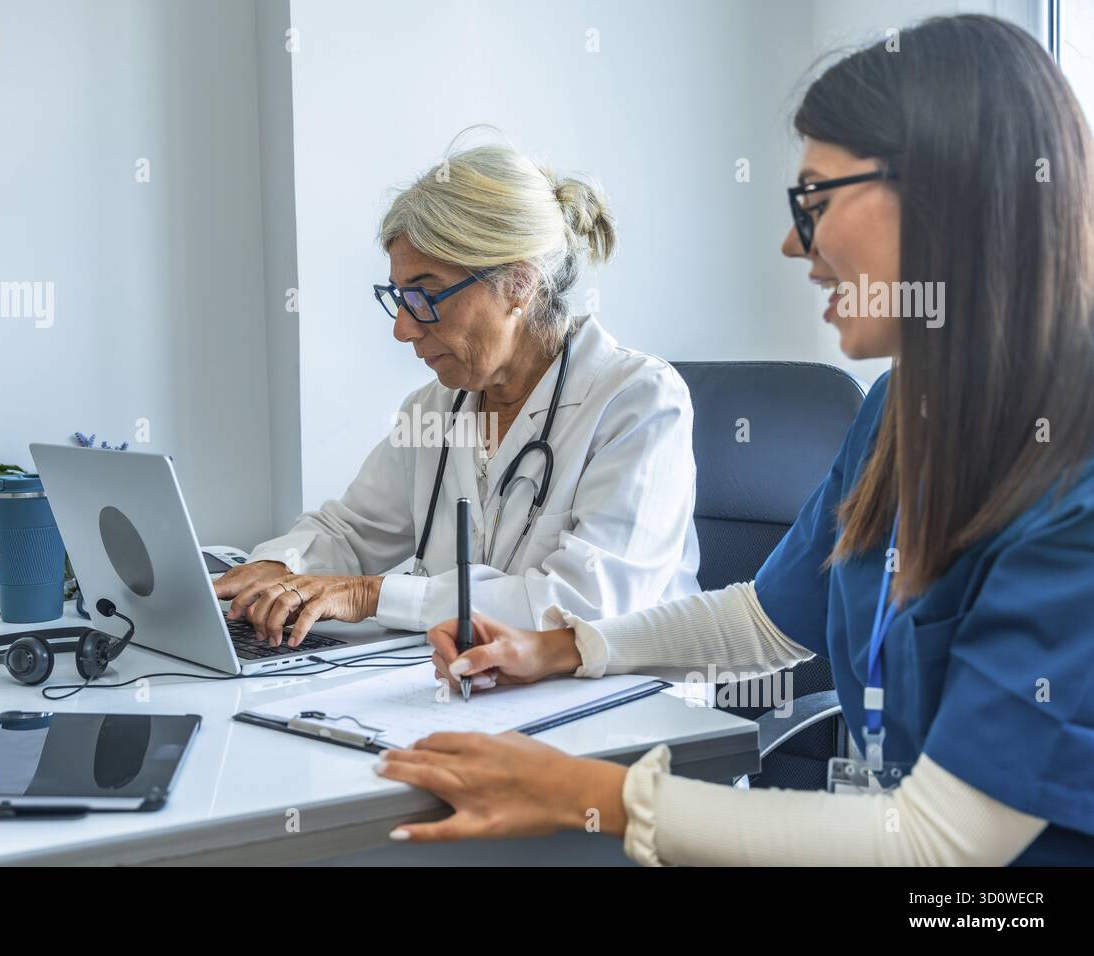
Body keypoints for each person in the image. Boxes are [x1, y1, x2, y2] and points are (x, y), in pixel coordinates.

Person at [376, 16, 1094, 866]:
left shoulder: (1071, 471)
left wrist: (588, 796)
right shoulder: (904, 411)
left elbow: (946, 843)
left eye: (816, 202)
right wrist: (565, 649)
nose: (795, 242)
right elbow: (767, 620)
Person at [215, 138, 700, 648]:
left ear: (517, 284)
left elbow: (585, 607)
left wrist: (371, 595)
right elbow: (351, 531)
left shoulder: (637, 402)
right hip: (474, 686)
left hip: (617, 704)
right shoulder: (434, 409)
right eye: (399, 298)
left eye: (424, 296)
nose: (403, 329)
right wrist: (275, 568)